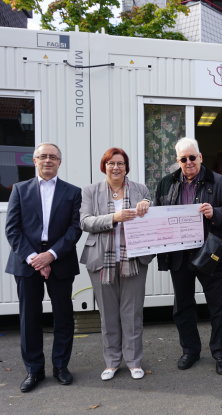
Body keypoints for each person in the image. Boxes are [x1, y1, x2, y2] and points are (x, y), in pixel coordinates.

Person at [155, 137, 222, 375]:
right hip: (178, 255)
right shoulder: (166, 184)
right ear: (178, 161)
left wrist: (215, 212)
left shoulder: (219, 182)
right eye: (183, 159)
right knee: (182, 307)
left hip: (209, 254)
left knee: (217, 307)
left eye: (192, 157)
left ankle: (221, 353)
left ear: (200, 157)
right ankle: (190, 351)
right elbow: (158, 216)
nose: (189, 162)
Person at [5, 143, 82, 393]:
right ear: (35, 160)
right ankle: (34, 370)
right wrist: (34, 258)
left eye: (53, 157)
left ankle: (61, 366)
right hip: (26, 264)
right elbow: (12, 229)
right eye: (43, 156)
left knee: (63, 317)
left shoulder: (73, 192)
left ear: (59, 162)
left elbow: (74, 229)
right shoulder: (19, 189)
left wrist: (50, 255)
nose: (48, 160)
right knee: (30, 318)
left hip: (60, 261)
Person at [79, 148, 154, 381]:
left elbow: (151, 209)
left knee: (132, 314)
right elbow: (85, 221)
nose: (116, 167)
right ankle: (111, 362)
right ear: (104, 166)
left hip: (134, 259)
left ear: (126, 167)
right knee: (108, 315)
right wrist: (114, 218)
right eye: (111, 163)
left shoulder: (140, 189)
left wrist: (146, 205)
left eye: (120, 163)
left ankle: (133, 361)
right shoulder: (91, 191)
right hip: (102, 260)